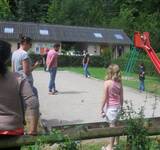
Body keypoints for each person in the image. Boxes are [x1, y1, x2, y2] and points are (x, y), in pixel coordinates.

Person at [0, 40, 39, 150]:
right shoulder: (18, 79)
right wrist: (33, 130)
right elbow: (33, 103)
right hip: (13, 132)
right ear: (8, 58)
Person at [101, 64, 123, 150]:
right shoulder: (119, 82)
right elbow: (121, 97)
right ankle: (117, 143)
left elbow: (104, 98)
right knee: (117, 124)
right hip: (118, 107)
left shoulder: (107, 83)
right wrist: (121, 107)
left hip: (111, 108)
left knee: (112, 127)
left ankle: (110, 147)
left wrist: (101, 108)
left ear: (109, 72)